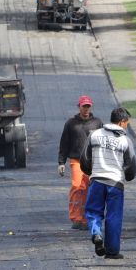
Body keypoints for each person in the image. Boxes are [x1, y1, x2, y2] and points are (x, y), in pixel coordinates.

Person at [80, 107, 136, 259]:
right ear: (121, 122)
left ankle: (96, 233)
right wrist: (129, 176)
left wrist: (90, 172)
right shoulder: (125, 140)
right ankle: (112, 251)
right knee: (114, 217)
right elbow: (130, 165)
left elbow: (84, 158)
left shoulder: (95, 135)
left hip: (97, 180)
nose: (127, 126)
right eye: (127, 123)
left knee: (93, 212)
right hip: (115, 184)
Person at [58, 95, 104, 230]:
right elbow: (64, 144)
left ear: (91, 107)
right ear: (79, 107)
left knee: (91, 190)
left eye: (88, 106)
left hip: (93, 161)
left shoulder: (97, 123)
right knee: (78, 187)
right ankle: (76, 218)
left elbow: (103, 142)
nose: (86, 109)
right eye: (84, 106)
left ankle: (86, 219)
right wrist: (61, 162)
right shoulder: (71, 123)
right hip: (76, 160)